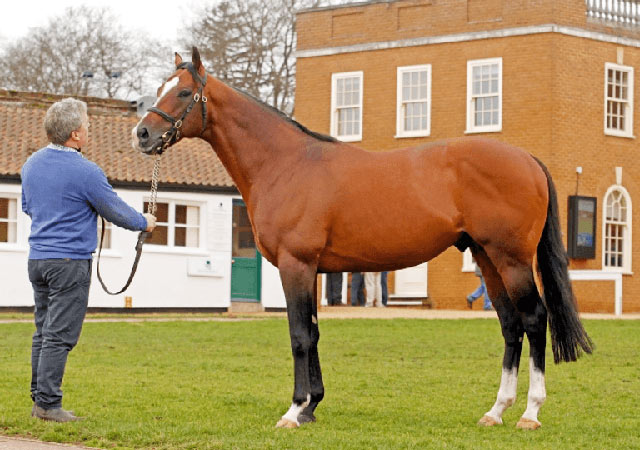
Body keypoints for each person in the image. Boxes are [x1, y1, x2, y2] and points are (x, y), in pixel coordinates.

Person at [21, 98, 157, 423]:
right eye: (87, 126)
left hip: (38, 259)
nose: (90, 131)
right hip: (69, 262)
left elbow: (28, 207)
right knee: (59, 335)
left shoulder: (31, 164)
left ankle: (39, 398)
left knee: (43, 330)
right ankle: (48, 405)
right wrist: (145, 222)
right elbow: (115, 210)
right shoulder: (86, 171)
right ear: (75, 134)